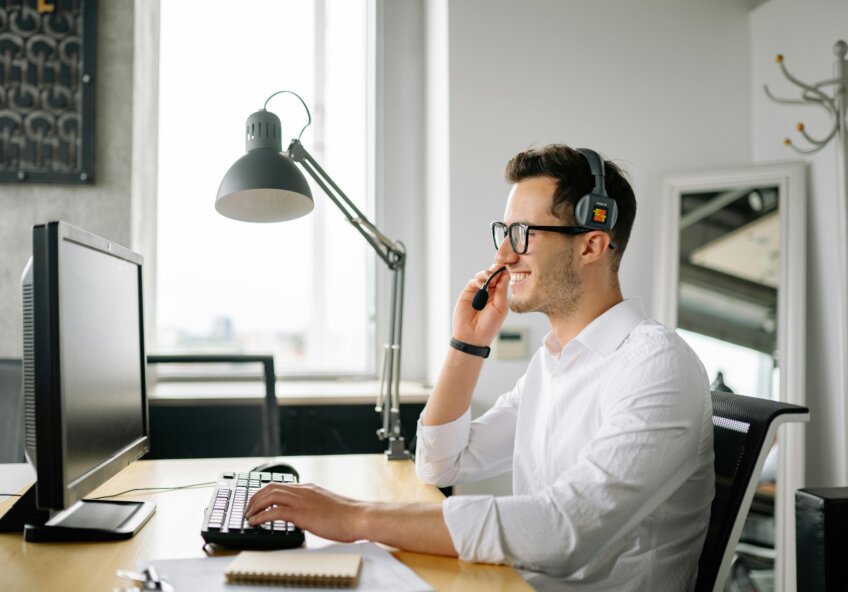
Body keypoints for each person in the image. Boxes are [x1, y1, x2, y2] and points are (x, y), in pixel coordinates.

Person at [245, 144, 715, 590]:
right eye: (504, 232)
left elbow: (563, 531)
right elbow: (441, 463)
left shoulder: (657, 367)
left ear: (591, 245)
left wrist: (354, 518)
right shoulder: (554, 362)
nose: (504, 256)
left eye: (523, 235)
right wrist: (467, 345)